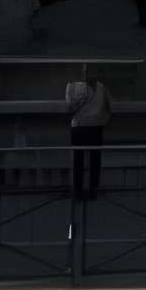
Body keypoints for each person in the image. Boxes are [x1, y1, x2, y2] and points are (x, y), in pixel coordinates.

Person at [62, 73, 112, 214]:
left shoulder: (72, 86)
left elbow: (69, 106)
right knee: (95, 159)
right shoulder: (102, 87)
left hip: (78, 126)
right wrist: (104, 120)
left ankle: (78, 191)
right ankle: (92, 191)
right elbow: (109, 107)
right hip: (96, 127)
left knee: (78, 159)